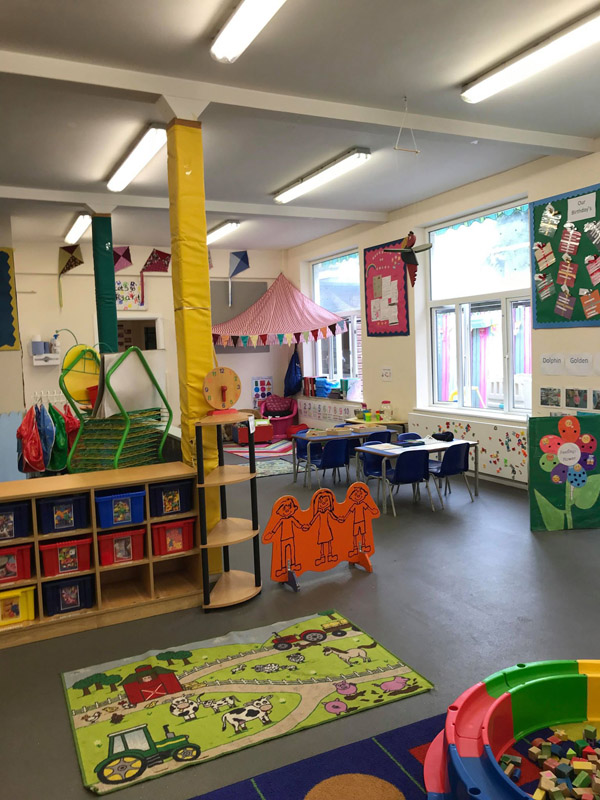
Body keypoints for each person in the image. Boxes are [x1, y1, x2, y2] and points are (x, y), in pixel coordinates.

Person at [308, 489, 343, 566]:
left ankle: (330, 555)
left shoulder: (327, 511)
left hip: (327, 529)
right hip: (322, 530)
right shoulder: (319, 513)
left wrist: (338, 519)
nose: (323, 504)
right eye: (321, 502)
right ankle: (322, 556)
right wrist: (309, 525)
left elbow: (334, 517)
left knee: (329, 542)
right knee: (322, 544)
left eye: (325, 502)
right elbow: (313, 520)